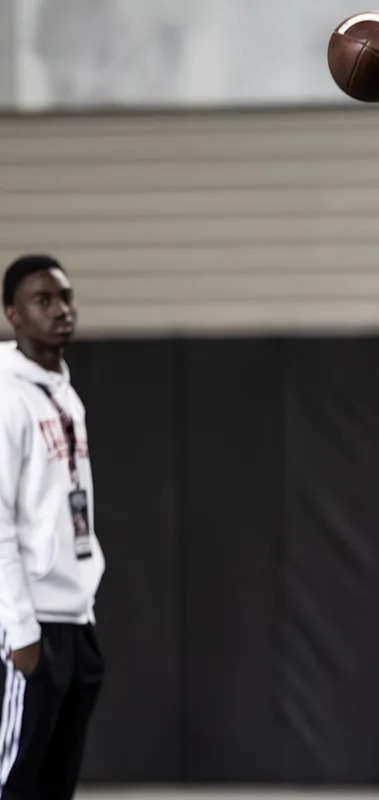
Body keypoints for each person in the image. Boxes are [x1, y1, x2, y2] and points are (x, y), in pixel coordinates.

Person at [0, 254, 106, 800]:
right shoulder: (7, 396)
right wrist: (21, 630)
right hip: (32, 624)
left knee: (55, 785)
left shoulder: (64, 393)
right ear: (12, 314)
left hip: (74, 617)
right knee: (14, 783)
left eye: (65, 298)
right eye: (43, 300)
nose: (61, 310)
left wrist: (84, 602)